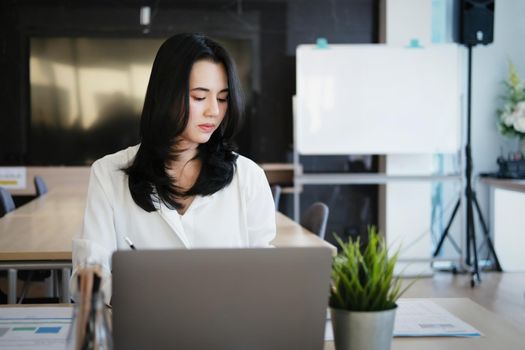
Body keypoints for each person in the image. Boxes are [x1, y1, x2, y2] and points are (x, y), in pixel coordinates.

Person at [72, 33, 276, 304]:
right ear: (166, 96)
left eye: (223, 98)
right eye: (199, 97)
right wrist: (146, 296)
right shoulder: (109, 173)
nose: (214, 111)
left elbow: (267, 274)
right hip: (144, 332)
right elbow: (87, 277)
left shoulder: (248, 177)